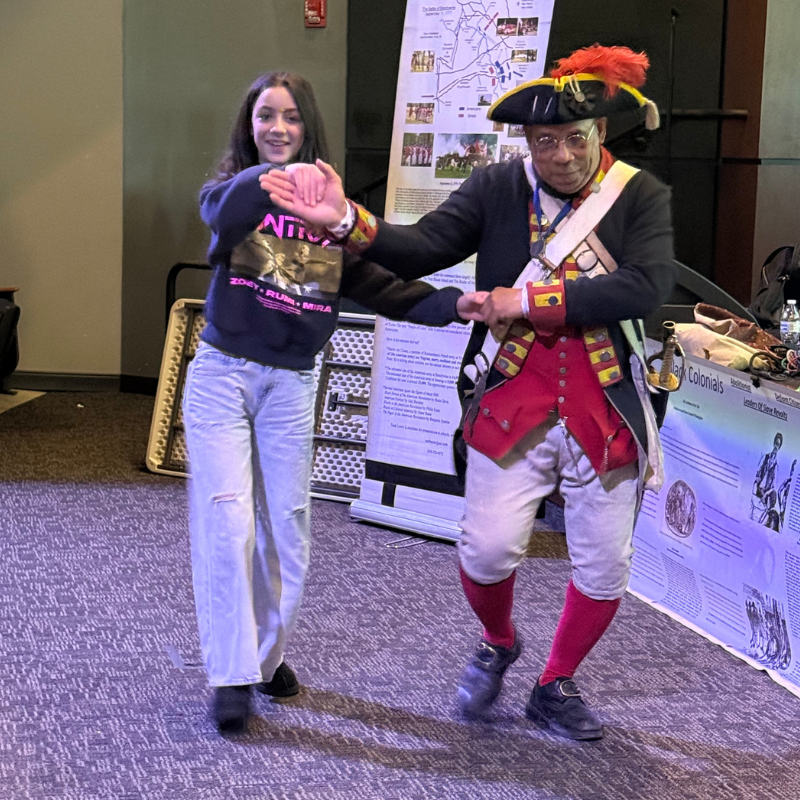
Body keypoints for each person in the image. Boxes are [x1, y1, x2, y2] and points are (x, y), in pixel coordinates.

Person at [261, 45, 676, 741]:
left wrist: (527, 301)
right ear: (527, 141)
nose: (563, 156)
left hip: (605, 406)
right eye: (545, 141)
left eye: (576, 138)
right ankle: (499, 640)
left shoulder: (640, 194)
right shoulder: (496, 186)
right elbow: (423, 246)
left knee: (606, 566)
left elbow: (646, 286)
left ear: (600, 131)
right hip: (512, 396)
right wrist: (345, 222)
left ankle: (556, 681)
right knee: (485, 553)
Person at [184, 71, 485, 736]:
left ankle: (265, 659)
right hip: (222, 378)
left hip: (290, 384)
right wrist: (270, 180)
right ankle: (231, 674)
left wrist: (455, 304)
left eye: (291, 117)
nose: (278, 128)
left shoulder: (332, 215)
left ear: (308, 127)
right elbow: (218, 217)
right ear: (249, 125)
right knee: (227, 523)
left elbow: (383, 287)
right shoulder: (233, 192)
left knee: (287, 530)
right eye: (266, 115)